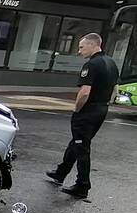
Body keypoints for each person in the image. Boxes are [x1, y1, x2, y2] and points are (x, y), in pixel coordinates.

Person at [46, 33, 119, 198]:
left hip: (87, 111)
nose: (79, 51)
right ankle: (60, 172)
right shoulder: (111, 63)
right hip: (102, 109)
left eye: (81, 47)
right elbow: (115, 89)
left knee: (82, 148)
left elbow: (85, 92)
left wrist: (77, 109)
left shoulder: (91, 65)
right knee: (77, 142)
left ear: (93, 45)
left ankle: (82, 185)